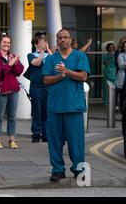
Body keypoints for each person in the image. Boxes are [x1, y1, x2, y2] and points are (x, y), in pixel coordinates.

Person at [42, 29, 90, 182]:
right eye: (60, 38)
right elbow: (46, 80)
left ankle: (80, 171)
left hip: (73, 106)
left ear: (70, 40)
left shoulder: (79, 56)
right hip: (55, 106)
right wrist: (59, 76)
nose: (63, 40)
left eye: (65, 38)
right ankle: (57, 170)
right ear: (57, 40)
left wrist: (67, 71)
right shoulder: (51, 59)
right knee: (54, 141)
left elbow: (83, 76)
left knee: (76, 142)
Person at [0, 34, 24, 149]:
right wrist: (10, 64)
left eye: (8, 43)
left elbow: (19, 71)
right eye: (4, 42)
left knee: (12, 117)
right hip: (0, 91)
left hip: (13, 90)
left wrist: (15, 63)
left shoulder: (13, 56)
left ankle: (12, 140)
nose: (7, 44)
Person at [27, 33, 52, 143]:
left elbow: (54, 60)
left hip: (47, 86)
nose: (44, 43)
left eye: (45, 41)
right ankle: (36, 134)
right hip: (36, 87)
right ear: (36, 44)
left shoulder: (48, 54)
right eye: (42, 42)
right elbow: (36, 63)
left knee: (46, 111)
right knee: (37, 111)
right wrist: (42, 52)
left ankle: (46, 133)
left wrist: (47, 49)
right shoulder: (31, 55)